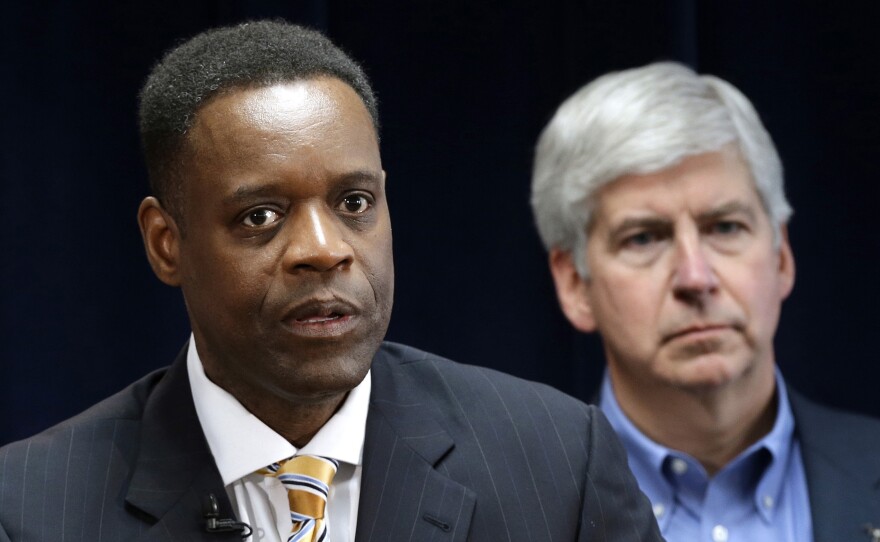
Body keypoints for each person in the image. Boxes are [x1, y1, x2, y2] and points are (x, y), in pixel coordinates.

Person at [0, 21, 662, 542]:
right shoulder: (28, 509)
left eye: (354, 204)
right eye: (260, 216)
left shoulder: (556, 463)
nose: (323, 251)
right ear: (166, 243)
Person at [530, 61, 880, 542]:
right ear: (574, 284)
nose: (696, 278)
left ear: (782, 256)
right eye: (644, 238)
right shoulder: (511, 509)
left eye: (724, 227)